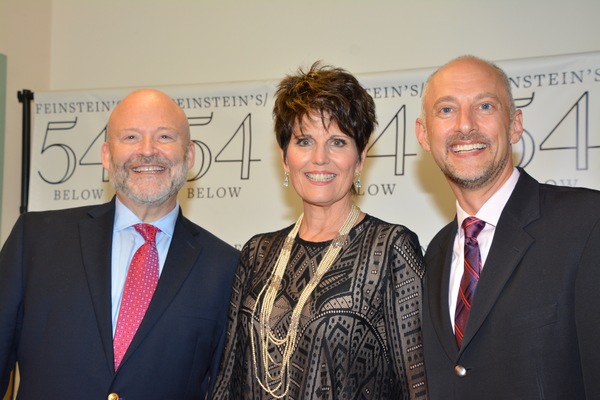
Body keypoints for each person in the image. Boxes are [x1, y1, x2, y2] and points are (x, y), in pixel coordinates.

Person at [0, 89, 240, 399]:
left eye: (165, 137)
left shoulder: (225, 268)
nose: (148, 150)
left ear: (190, 155)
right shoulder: (35, 239)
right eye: (130, 137)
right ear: (106, 155)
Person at [211, 62, 427, 399]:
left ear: (360, 158)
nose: (320, 158)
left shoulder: (390, 248)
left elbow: (419, 385)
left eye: (338, 142)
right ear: (285, 158)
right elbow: (226, 381)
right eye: (304, 141)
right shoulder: (257, 253)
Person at [415, 55, 600, 399]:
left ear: (515, 125)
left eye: (484, 106)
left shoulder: (588, 223)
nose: (465, 125)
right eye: (446, 110)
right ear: (423, 134)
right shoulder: (432, 256)